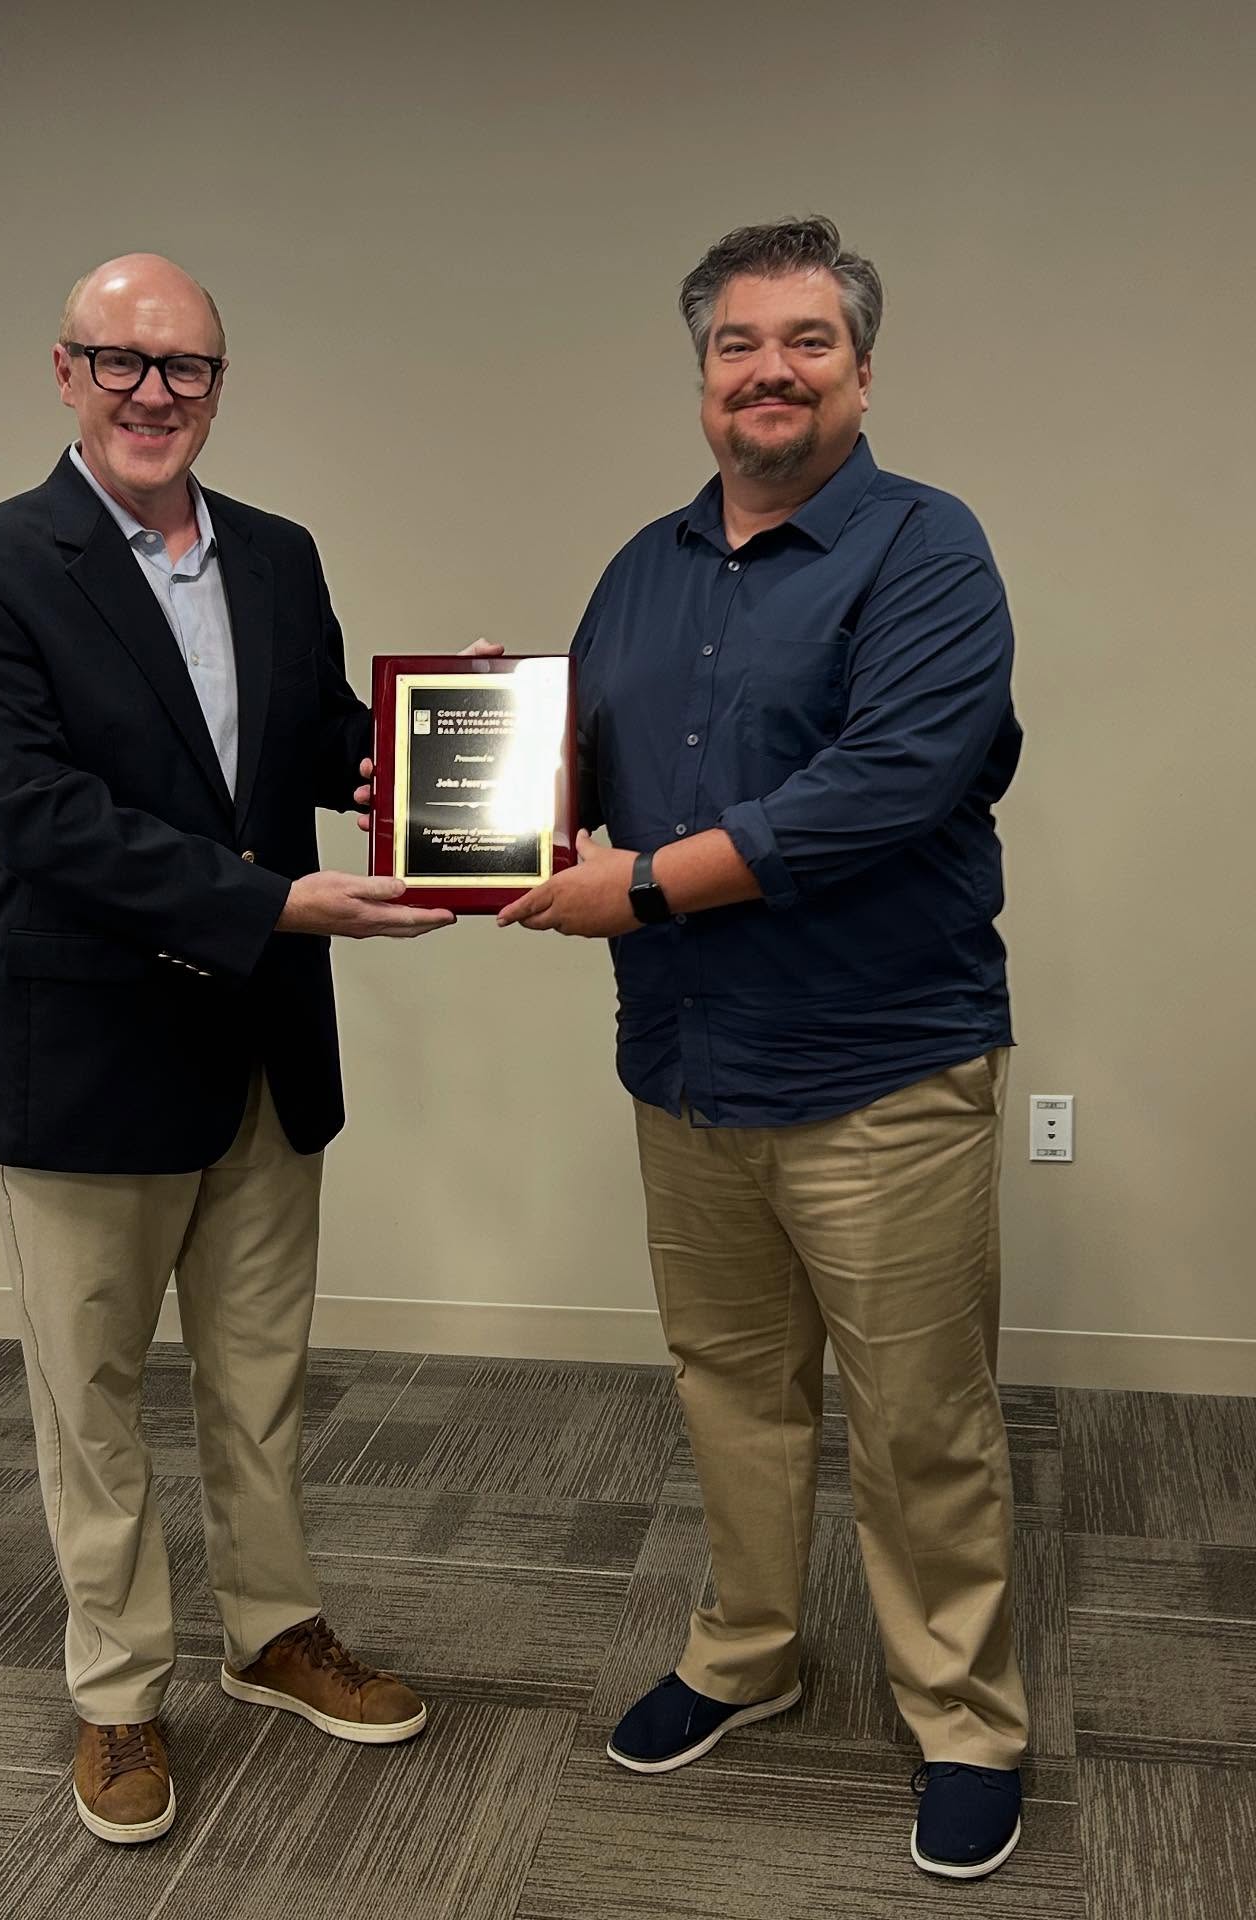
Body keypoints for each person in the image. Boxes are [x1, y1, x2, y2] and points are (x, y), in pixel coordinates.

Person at [0, 253, 488, 1845]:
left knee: (261, 1378)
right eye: (121, 361)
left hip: (261, 1050)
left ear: (220, 386)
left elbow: (319, 748)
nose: (154, 393)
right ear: (65, 371)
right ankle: (115, 1695)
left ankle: (272, 1632)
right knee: (88, 1399)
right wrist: (272, 897)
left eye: (186, 368)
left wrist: (469, 758)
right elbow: (41, 819)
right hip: (88, 1054)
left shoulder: (282, 558)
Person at [499, 217, 1027, 1881]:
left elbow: (883, 790)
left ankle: (963, 1715)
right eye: (739, 345)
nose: (770, 373)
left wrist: (639, 886)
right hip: (687, 1064)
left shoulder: (929, 553)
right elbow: (564, 751)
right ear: (705, 377)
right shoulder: (643, 565)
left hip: (880, 1068)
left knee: (917, 1411)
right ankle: (747, 1649)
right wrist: (487, 820)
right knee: (730, 1388)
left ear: (861, 372)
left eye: (807, 342)